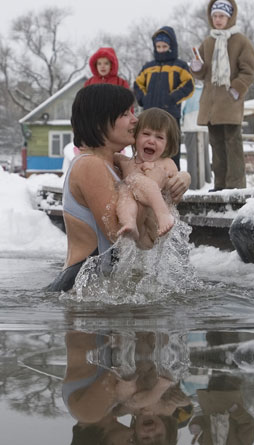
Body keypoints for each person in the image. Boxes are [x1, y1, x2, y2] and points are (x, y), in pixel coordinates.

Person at [46, 84, 191, 292]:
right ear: (100, 122)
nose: (135, 120)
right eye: (125, 113)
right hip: (78, 289)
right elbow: (119, 237)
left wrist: (183, 178)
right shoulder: (90, 165)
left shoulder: (113, 165)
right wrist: (155, 184)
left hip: (94, 291)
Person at [190, 0, 254, 191]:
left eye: (222, 16)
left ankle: (235, 187)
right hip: (211, 105)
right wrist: (196, 66)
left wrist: (236, 89)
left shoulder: (240, 41)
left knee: (233, 147)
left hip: (230, 102)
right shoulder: (208, 42)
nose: (218, 20)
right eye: (215, 16)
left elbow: (250, 71)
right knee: (217, 147)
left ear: (230, 17)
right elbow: (203, 73)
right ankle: (219, 186)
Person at [114, 108, 181, 243]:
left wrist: (183, 177)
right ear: (135, 137)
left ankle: (164, 216)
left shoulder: (165, 163)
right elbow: (107, 154)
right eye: (146, 134)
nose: (151, 141)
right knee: (123, 190)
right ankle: (129, 222)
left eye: (159, 137)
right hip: (139, 228)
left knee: (133, 180)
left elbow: (176, 191)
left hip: (156, 224)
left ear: (168, 144)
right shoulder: (126, 163)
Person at [133, 26, 195, 170]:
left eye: (164, 46)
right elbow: (137, 84)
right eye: (158, 46)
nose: (161, 49)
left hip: (170, 115)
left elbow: (188, 85)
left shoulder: (180, 66)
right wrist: (143, 99)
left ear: (171, 46)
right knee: (147, 147)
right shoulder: (148, 67)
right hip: (149, 115)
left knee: (171, 149)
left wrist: (171, 98)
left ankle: (172, 179)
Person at [181, 82, 212, 189]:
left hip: (190, 125)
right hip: (204, 125)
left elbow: (182, 108)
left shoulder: (188, 91)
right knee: (205, 155)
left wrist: (181, 121)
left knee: (192, 156)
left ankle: (193, 184)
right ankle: (207, 179)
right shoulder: (207, 90)